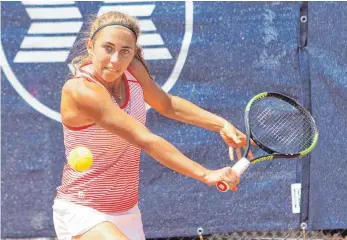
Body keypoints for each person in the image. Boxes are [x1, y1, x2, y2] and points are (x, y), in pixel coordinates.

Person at [53, 11, 248, 240]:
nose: (115, 60)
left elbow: (166, 104)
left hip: (127, 212)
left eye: (125, 51)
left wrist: (220, 124)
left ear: (133, 52)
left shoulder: (133, 69)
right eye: (107, 48)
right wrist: (206, 174)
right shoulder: (82, 91)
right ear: (90, 46)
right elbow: (146, 140)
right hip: (83, 210)